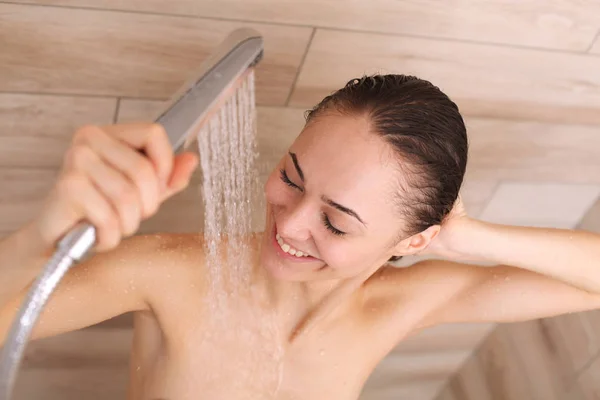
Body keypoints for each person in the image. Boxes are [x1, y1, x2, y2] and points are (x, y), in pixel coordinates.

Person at [1, 74, 599, 399]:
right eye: (291, 177)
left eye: (336, 222)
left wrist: (470, 239)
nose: (288, 224)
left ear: (411, 241)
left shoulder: (400, 305)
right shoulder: (174, 275)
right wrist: (42, 234)